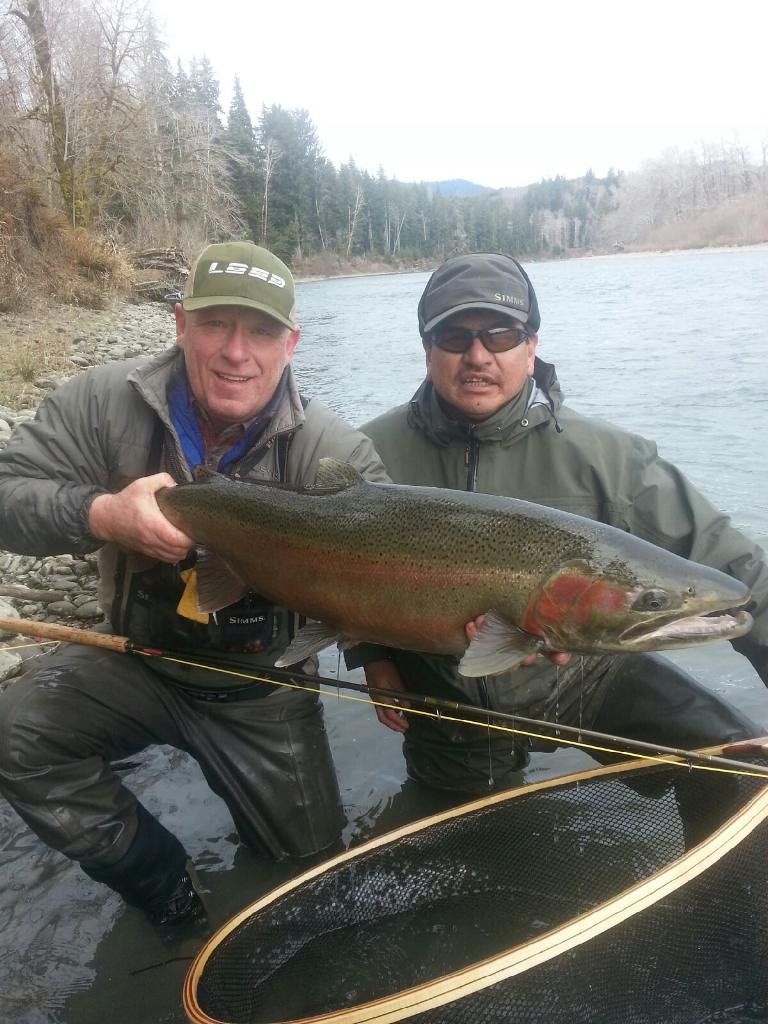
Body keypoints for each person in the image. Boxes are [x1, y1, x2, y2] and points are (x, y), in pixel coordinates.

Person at [0, 241, 388, 931]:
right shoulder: (103, 403)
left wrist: (398, 654)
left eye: (262, 331)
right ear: (180, 325)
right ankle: (165, 890)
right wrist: (103, 515)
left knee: (315, 881)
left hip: (259, 685)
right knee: (17, 734)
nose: (237, 351)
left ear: (291, 343)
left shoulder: (336, 452)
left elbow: (392, 575)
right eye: (216, 325)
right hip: (136, 660)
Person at [355, 252, 768, 809]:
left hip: (582, 677)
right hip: (445, 699)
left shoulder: (606, 459)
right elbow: (322, 563)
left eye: (501, 335)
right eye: (454, 336)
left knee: (738, 768)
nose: (477, 355)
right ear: (427, 348)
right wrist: (372, 656)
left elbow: (740, 575)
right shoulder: (364, 455)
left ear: (532, 346)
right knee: (475, 857)